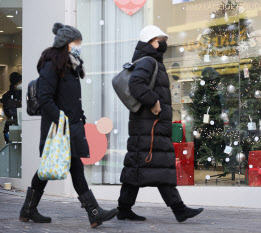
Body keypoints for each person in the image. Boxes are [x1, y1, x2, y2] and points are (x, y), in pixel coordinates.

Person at [18, 23, 118, 228]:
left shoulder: (70, 66)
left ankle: (29, 209)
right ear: (66, 44)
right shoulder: (51, 65)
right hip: (59, 128)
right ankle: (93, 212)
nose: (80, 46)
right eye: (77, 42)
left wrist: (79, 117)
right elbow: (45, 98)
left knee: (61, 168)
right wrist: (61, 119)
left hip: (70, 126)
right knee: (65, 168)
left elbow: (71, 98)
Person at [117, 25, 204, 223]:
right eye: (160, 40)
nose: (163, 44)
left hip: (149, 126)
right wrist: (154, 100)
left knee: (139, 168)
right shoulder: (148, 61)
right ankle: (179, 209)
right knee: (158, 166)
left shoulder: (149, 61)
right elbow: (136, 84)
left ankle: (124, 209)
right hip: (149, 126)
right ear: (150, 42)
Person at [0, 72, 22, 144]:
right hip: (11, 128)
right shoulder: (7, 96)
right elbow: (8, 113)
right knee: (12, 150)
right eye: (19, 82)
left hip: (16, 126)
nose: (21, 84)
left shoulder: (21, 93)